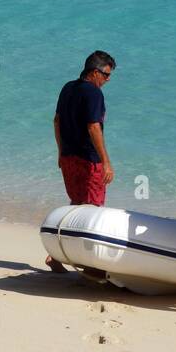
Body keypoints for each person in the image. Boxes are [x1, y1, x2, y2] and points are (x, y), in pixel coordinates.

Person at [46, 51, 116, 274]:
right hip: (88, 160)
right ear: (95, 72)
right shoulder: (94, 94)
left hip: (68, 157)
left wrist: (60, 151)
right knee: (92, 210)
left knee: (76, 206)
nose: (108, 80)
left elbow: (56, 121)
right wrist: (105, 161)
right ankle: (90, 265)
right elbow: (93, 126)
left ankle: (55, 256)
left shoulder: (68, 88)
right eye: (106, 75)